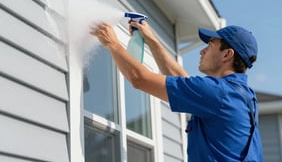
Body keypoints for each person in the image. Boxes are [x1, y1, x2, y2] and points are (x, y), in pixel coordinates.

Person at [91, 20, 263, 162]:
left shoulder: (218, 93)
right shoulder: (242, 94)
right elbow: (182, 79)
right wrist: (151, 40)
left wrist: (112, 43)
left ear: (227, 54)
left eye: (210, 45)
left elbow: (139, 78)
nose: (202, 51)